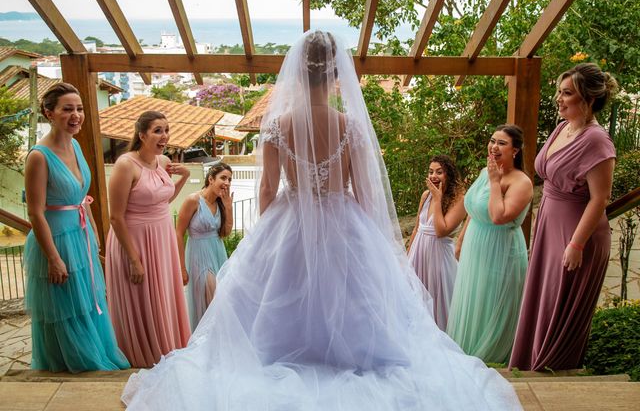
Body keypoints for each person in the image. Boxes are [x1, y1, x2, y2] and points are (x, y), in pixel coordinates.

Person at [121, 31, 522, 410]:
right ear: (334, 75)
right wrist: (371, 240)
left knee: (284, 299)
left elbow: (266, 188)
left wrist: (267, 234)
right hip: (342, 218)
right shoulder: (349, 126)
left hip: (289, 218)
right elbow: (365, 192)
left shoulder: (278, 125)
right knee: (348, 298)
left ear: (298, 72)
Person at [510, 63, 617, 371]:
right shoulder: (562, 127)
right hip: (549, 226)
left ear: (589, 99)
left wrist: (577, 244)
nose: (558, 98)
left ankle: (552, 372)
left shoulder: (597, 140)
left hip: (576, 234)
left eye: (567, 93)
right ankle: (531, 366)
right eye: (559, 91)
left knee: (559, 308)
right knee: (542, 302)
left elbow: (600, 198)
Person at [23, 83, 129, 372]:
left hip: (80, 236)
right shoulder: (38, 156)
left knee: (89, 302)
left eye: (79, 109)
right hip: (55, 240)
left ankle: (97, 356)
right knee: (66, 308)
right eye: (67, 109)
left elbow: (83, 198)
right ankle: (73, 363)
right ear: (50, 113)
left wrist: (93, 233)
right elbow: (35, 213)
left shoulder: (76, 145)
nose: (76, 115)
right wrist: (54, 258)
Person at [106, 111, 191, 368]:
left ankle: (166, 349)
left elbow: (163, 200)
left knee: (163, 297)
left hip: (162, 240)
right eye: (157, 130)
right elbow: (115, 217)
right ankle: (143, 355)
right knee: (142, 301)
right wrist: (134, 260)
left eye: (166, 129)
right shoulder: (125, 165)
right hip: (135, 242)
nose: (164, 136)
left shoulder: (163, 161)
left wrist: (184, 177)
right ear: (141, 135)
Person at [446, 125, 533, 364]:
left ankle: (491, 358)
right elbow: (473, 207)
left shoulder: (521, 182)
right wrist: (462, 238)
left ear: (515, 150)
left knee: (492, 302)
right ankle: (464, 353)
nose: (494, 147)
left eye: (502, 143)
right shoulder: (487, 171)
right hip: (476, 246)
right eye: (492, 141)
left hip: (500, 251)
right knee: (472, 298)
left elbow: (498, 215)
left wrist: (495, 182)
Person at [407, 155, 465, 331]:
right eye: (431, 172)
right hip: (418, 254)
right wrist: (408, 257)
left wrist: (438, 199)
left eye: (439, 172)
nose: (433, 176)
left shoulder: (459, 199)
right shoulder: (426, 196)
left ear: (449, 174)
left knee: (438, 300)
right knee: (415, 298)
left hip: (439, 259)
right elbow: (417, 228)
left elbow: (441, 231)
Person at [176, 163, 233, 330]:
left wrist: (228, 207)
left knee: (221, 298)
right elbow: (178, 233)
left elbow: (226, 233)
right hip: (198, 255)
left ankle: (218, 339)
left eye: (230, 179)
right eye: (223, 177)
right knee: (211, 296)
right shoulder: (193, 200)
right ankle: (206, 340)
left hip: (218, 252)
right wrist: (181, 268)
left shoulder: (222, 203)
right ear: (210, 179)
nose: (227, 182)